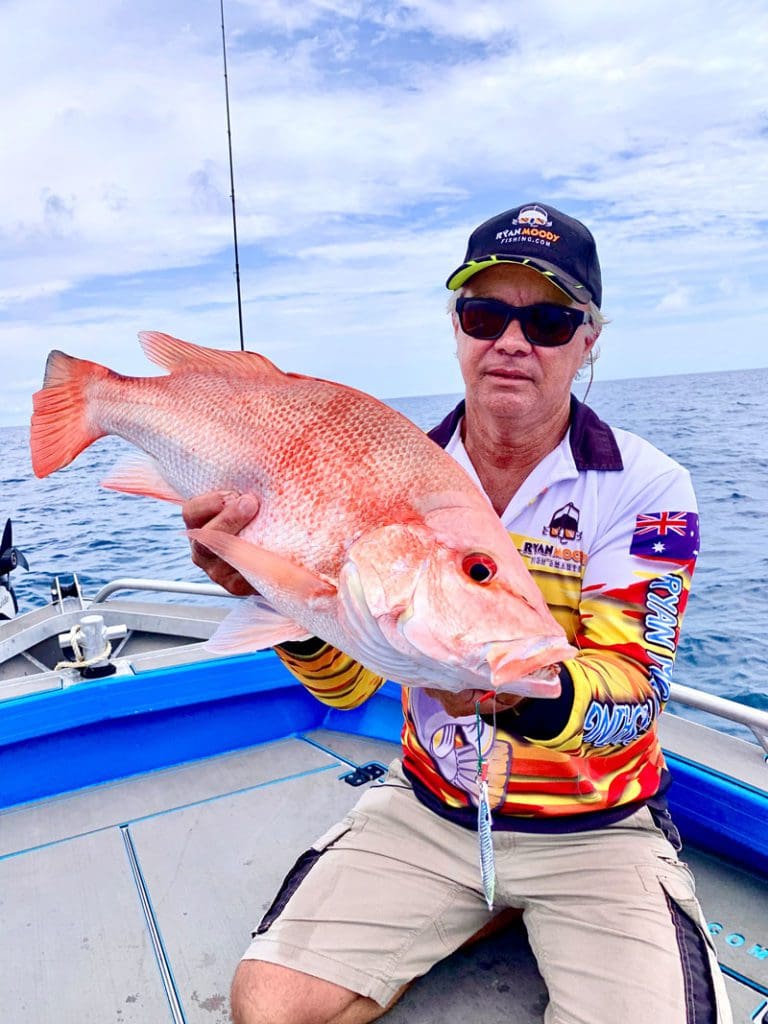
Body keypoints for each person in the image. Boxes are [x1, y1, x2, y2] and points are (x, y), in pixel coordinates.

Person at [183, 202, 732, 1024]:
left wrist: (534, 699)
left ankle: (506, 907)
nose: (513, 341)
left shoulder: (647, 489)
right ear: (458, 327)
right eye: (486, 313)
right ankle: (476, 901)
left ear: (590, 343)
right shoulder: (388, 475)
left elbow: (636, 692)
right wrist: (286, 605)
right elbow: (343, 688)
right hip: (431, 805)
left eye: (549, 320)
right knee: (266, 1006)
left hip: (595, 829)